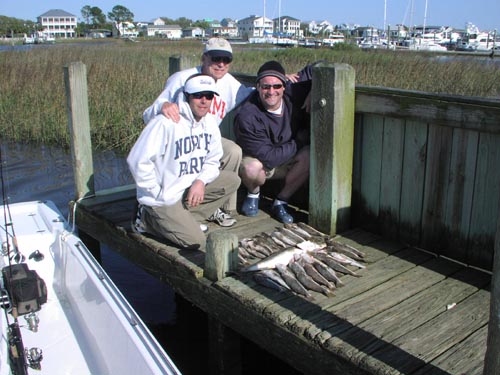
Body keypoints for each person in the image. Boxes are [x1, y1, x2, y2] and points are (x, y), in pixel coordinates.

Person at [142, 37, 253, 222]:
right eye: (215, 58)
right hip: (180, 144)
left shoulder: (229, 83)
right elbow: (147, 115)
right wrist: (163, 107)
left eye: (226, 60)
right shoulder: (181, 79)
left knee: (233, 151)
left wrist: (283, 81)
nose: (221, 64)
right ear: (204, 58)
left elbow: (257, 92)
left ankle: (221, 208)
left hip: (206, 141)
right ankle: (179, 208)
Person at [128, 74, 241, 250]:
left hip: (186, 189)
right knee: (196, 242)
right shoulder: (165, 123)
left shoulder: (209, 123)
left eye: (209, 96)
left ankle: (186, 218)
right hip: (163, 198)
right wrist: (155, 194)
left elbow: (213, 160)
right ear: (186, 96)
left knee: (232, 180)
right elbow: (137, 161)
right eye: (198, 95)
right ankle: (146, 219)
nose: (204, 101)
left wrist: (200, 181)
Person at [234, 60, 312, 224]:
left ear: (284, 86)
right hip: (261, 162)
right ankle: (253, 193)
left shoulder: (294, 91)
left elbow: (319, 66)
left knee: (310, 155)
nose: (272, 91)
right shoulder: (247, 115)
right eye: (266, 87)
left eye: (277, 86)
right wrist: (298, 141)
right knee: (251, 168)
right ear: (257, 87)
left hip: (288, 157)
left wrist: (317, 88)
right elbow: (269, 158)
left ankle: (281, 201)